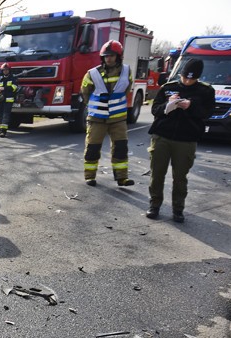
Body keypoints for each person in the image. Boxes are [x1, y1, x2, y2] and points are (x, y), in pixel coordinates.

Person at [146, 58, 215, 223]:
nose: (187, 81)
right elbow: (155, 109)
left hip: (186, 140)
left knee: (180, 177)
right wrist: (167, 107)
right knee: (157, 174)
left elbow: (207, 113)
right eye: (185, 77)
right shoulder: (168, 88)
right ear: (181, 74)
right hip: (162, 136)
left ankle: (178, 209)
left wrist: (191, 106)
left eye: (191, 79)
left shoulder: (205, 91)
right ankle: (154, 205)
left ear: (197, 77)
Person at [80, 40, 135, 186]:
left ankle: (122, 178)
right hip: (97, 118)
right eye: (106, 56)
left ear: (118, 56)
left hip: (118, 119)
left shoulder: (126, 71)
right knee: (92, 148)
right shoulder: (92, 73)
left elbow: (126, 89)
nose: (108, 58)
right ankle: (90, 176)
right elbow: (85, 93)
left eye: (111, 55)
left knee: (121, 148)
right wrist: (96, 107)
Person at [0, 63, 18, 137]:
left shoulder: (13, 78)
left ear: (9, 70)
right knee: (0, 115)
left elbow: (15, 87)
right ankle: (0, 130)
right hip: (0, 100)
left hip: (8, 100)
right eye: (4, 70)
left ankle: (4, 131)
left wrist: (5, 88)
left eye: (7, 70)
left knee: (5, 115)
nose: (5, 71)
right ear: (2, 71)